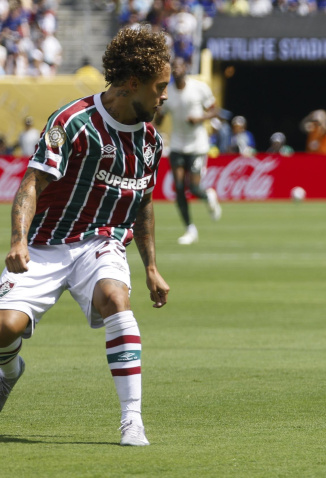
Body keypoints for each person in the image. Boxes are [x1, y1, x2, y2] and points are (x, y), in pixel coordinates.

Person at [0, 26, 172, 446]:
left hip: (101, 242)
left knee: (116, 298)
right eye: (159, 87)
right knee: (5, 328)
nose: (164, 96)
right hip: (44, 243)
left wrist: (151, 266)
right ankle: (8, 370)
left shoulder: (150, 141)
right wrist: (18, 240)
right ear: (132, 82)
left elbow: (143, 202)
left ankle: (132, 420)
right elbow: (31, 185)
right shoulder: (71, 122)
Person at [155, 57, 221, 246]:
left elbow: (215, 112)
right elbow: (159, 119)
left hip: (198, 145)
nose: (176, 69)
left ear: (186, 68)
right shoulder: (167, 92)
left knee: (193, 187)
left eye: (179, 66)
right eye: (173, 67)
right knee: (178, 187)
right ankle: (190, 229)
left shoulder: (199, 88)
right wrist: (154, 113)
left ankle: (208, 196)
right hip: (177, 145)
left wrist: (200, 119)